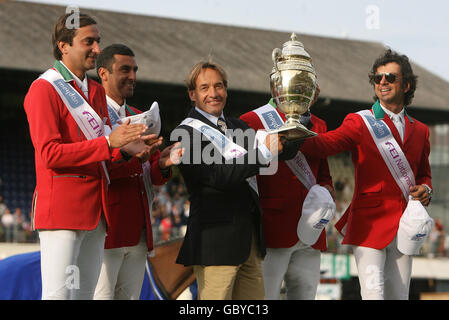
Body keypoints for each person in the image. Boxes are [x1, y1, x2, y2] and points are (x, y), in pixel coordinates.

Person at [23, 13, 150, 300]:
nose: (96, 49)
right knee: (59, 296)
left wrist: (131, 150)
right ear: (63, 45)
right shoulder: (43, 89)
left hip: (98, 212)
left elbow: (105, 154)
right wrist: (109, 142)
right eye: (88, 42)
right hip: (63, 211)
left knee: (83, 296)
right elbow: (50, 154)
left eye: (98, 41)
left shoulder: (94, 90)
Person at [300, 49, 433, 299]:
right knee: (373, 294)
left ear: (406, 85)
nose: (382, 82)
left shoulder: (422, 131)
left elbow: (424, 174)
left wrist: (426, 189)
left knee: (399, 296)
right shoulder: (360, 121)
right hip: (369, 225)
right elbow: (323, 145)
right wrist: (300, 119)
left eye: (390, 78)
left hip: (406, 226)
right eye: (378, 77)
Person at [171, 60, 284, 300]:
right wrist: (264, 152)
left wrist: (298, 119)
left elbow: (279, 150)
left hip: (250, 242)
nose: (213, 93)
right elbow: (218, 176)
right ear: (192, 94)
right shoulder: (186, 132)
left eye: (219, 86)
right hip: (215, 244)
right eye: (205, 88)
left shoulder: (238, 126)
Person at [93, 44, 182, 299]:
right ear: (103, 73)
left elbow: (149, 175)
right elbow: (96, 167)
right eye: (125, 69)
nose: (132, 76)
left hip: (139, 232)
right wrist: (130, 156)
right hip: (107, 230)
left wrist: (162, 164)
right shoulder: (92, 115)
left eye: (134, 70)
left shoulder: (138, 115)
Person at [240, 90, 335, 300]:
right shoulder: (251, 120)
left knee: (306, 295)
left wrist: (326, 189)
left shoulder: (319, 124)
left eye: (310, 82)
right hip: (272, 228)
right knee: (264, 298)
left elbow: (324, 173)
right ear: (277, 85)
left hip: (311, 228)